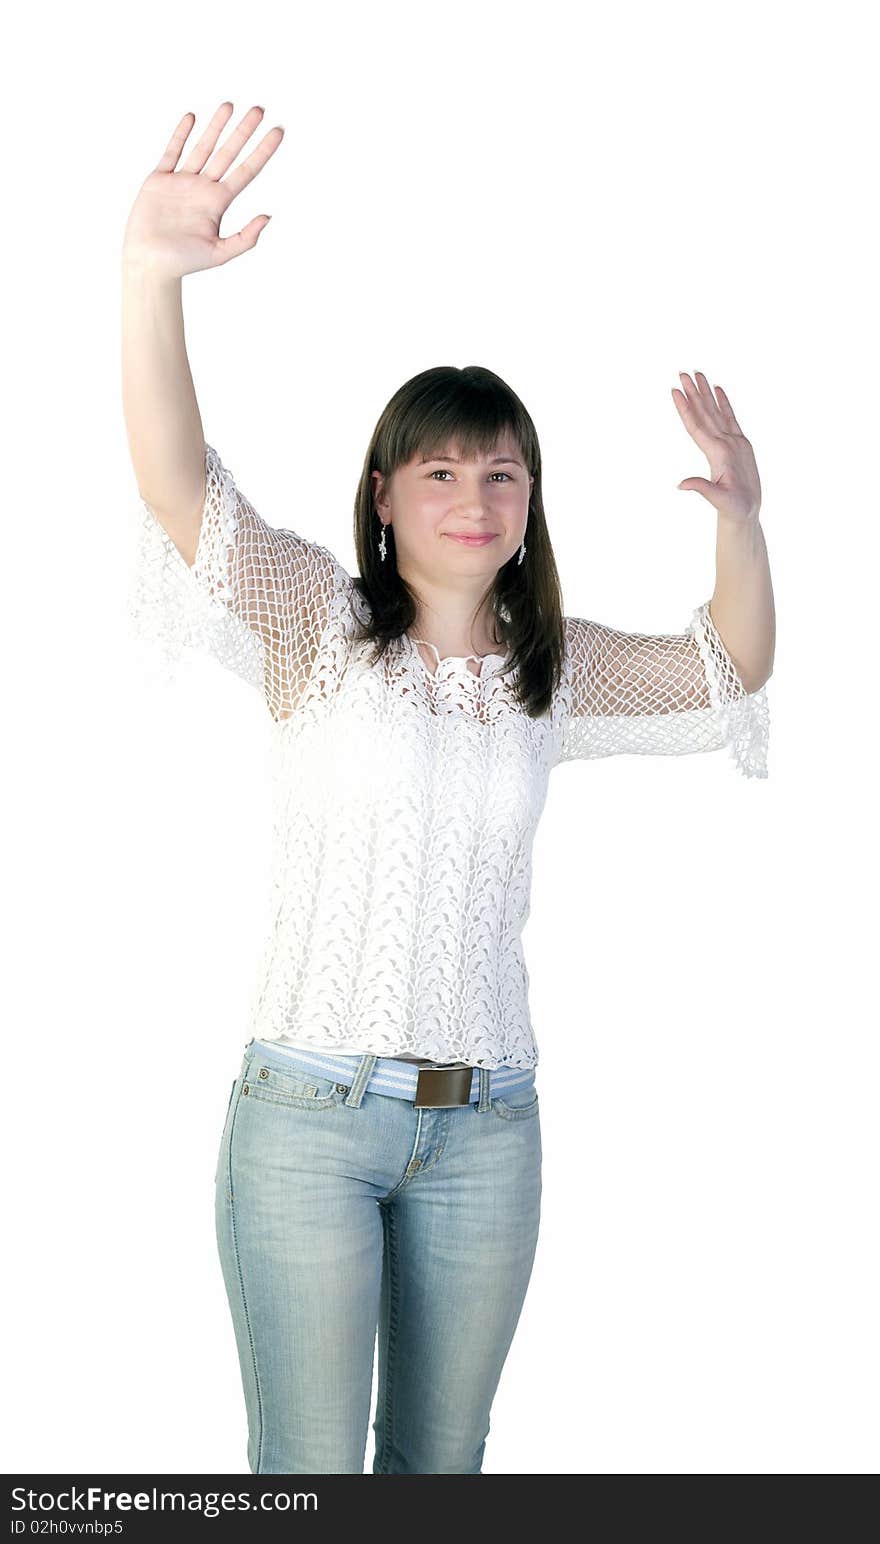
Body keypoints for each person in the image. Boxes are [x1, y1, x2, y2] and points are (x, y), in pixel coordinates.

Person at [121, 103, 775, 1476]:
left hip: (489, 1135)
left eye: (501, 471)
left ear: (530, 498)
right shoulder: (317, 621)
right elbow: (181, 487)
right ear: (384, 494)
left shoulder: (553, 671)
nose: (472, 495)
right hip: (303, 1124)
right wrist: (149, 278)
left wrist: (740, 520)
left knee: (443, 1468)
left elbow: (729, 669)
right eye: (438, 470)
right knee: (305, 1471)